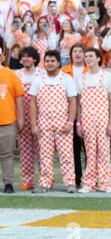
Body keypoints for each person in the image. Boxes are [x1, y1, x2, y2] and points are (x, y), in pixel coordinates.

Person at [29, 50, 77, 194]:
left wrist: (70, 122)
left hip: (63, 124)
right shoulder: (38, 79)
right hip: (44, 125)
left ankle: (70, 183)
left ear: (58, 63)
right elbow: (32, 103)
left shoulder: (66, 79)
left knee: (67, 154)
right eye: (47, 61)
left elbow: (73, 101)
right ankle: (45, 183)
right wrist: (33, 124)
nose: (50, 64)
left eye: (52, 61)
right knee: (44, 155)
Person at [76, 48, 111, 194]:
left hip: (103, 119)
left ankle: (106, 183)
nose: (87, 58)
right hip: (87, 120)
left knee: (104, 151)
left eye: (90, 56)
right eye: (86, 56)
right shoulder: (82, 78)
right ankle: (89, 183)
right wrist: (78, 123)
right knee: (90, 152)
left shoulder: (107, 76)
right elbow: (78, 103)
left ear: (98, 59)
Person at [15, 47, 43, 191]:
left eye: (29, 56)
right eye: (23, 56)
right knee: (25, 152)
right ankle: (27, 180)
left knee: (43, 150)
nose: (26, 59)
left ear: (35, 59)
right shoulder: (17, 75)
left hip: (41, 117)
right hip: (22, 118)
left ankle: (46, 179)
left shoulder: (42, 74)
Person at [62, 43, 89, 188]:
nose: (77, 54)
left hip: (88, 113)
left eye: (80, 51)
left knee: (89, 150)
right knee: (74, 150)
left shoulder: (90, 70)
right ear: (71, 54)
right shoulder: (64, 72)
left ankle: (90, 178)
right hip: (70, 114)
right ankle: (77, 179)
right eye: (75, 51)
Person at [0, 46, 24, 194]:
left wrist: (20, 118)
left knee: (7, 154)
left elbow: (19, 97)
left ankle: (8, 183)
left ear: (2, 57)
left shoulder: (10, 74)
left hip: (7, 120)